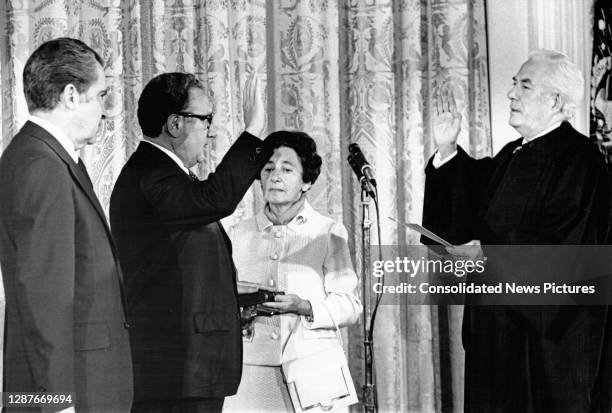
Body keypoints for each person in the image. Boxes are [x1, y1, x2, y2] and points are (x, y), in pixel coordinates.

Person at [423, 49, 612, 412]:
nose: (511, 94)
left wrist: (490, 254)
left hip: (545, 349)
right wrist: (447, 149)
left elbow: (567, 252)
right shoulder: (511, 155)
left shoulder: (582, 161)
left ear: (556, 100)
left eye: (524, 85)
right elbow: (466, 212)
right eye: (514, 85)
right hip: (495, 340)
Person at [109, 72, 271, 413]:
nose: (210, 133)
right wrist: (253, 130)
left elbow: (180, 265)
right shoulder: (152, 174)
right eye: (205, 119)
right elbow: (215, 199)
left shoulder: (163, 174)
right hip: (177, 370)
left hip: (187, 366)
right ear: (175, 123)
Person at [0, 38, 133, 412]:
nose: (106, 111)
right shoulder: (40, 165)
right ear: (71, 95)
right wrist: (59, 404)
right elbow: (45, 300)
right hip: (71, 393)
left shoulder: (46, 157)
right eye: (101, 95)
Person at [223, 131, 362, 412]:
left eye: (287, 169)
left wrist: (305, 306)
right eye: (268, 169)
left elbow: (350, 306)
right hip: (253, 374)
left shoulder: (327, 232)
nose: (275, 176)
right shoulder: (237, 233)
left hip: (313, 374)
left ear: (306, 182)